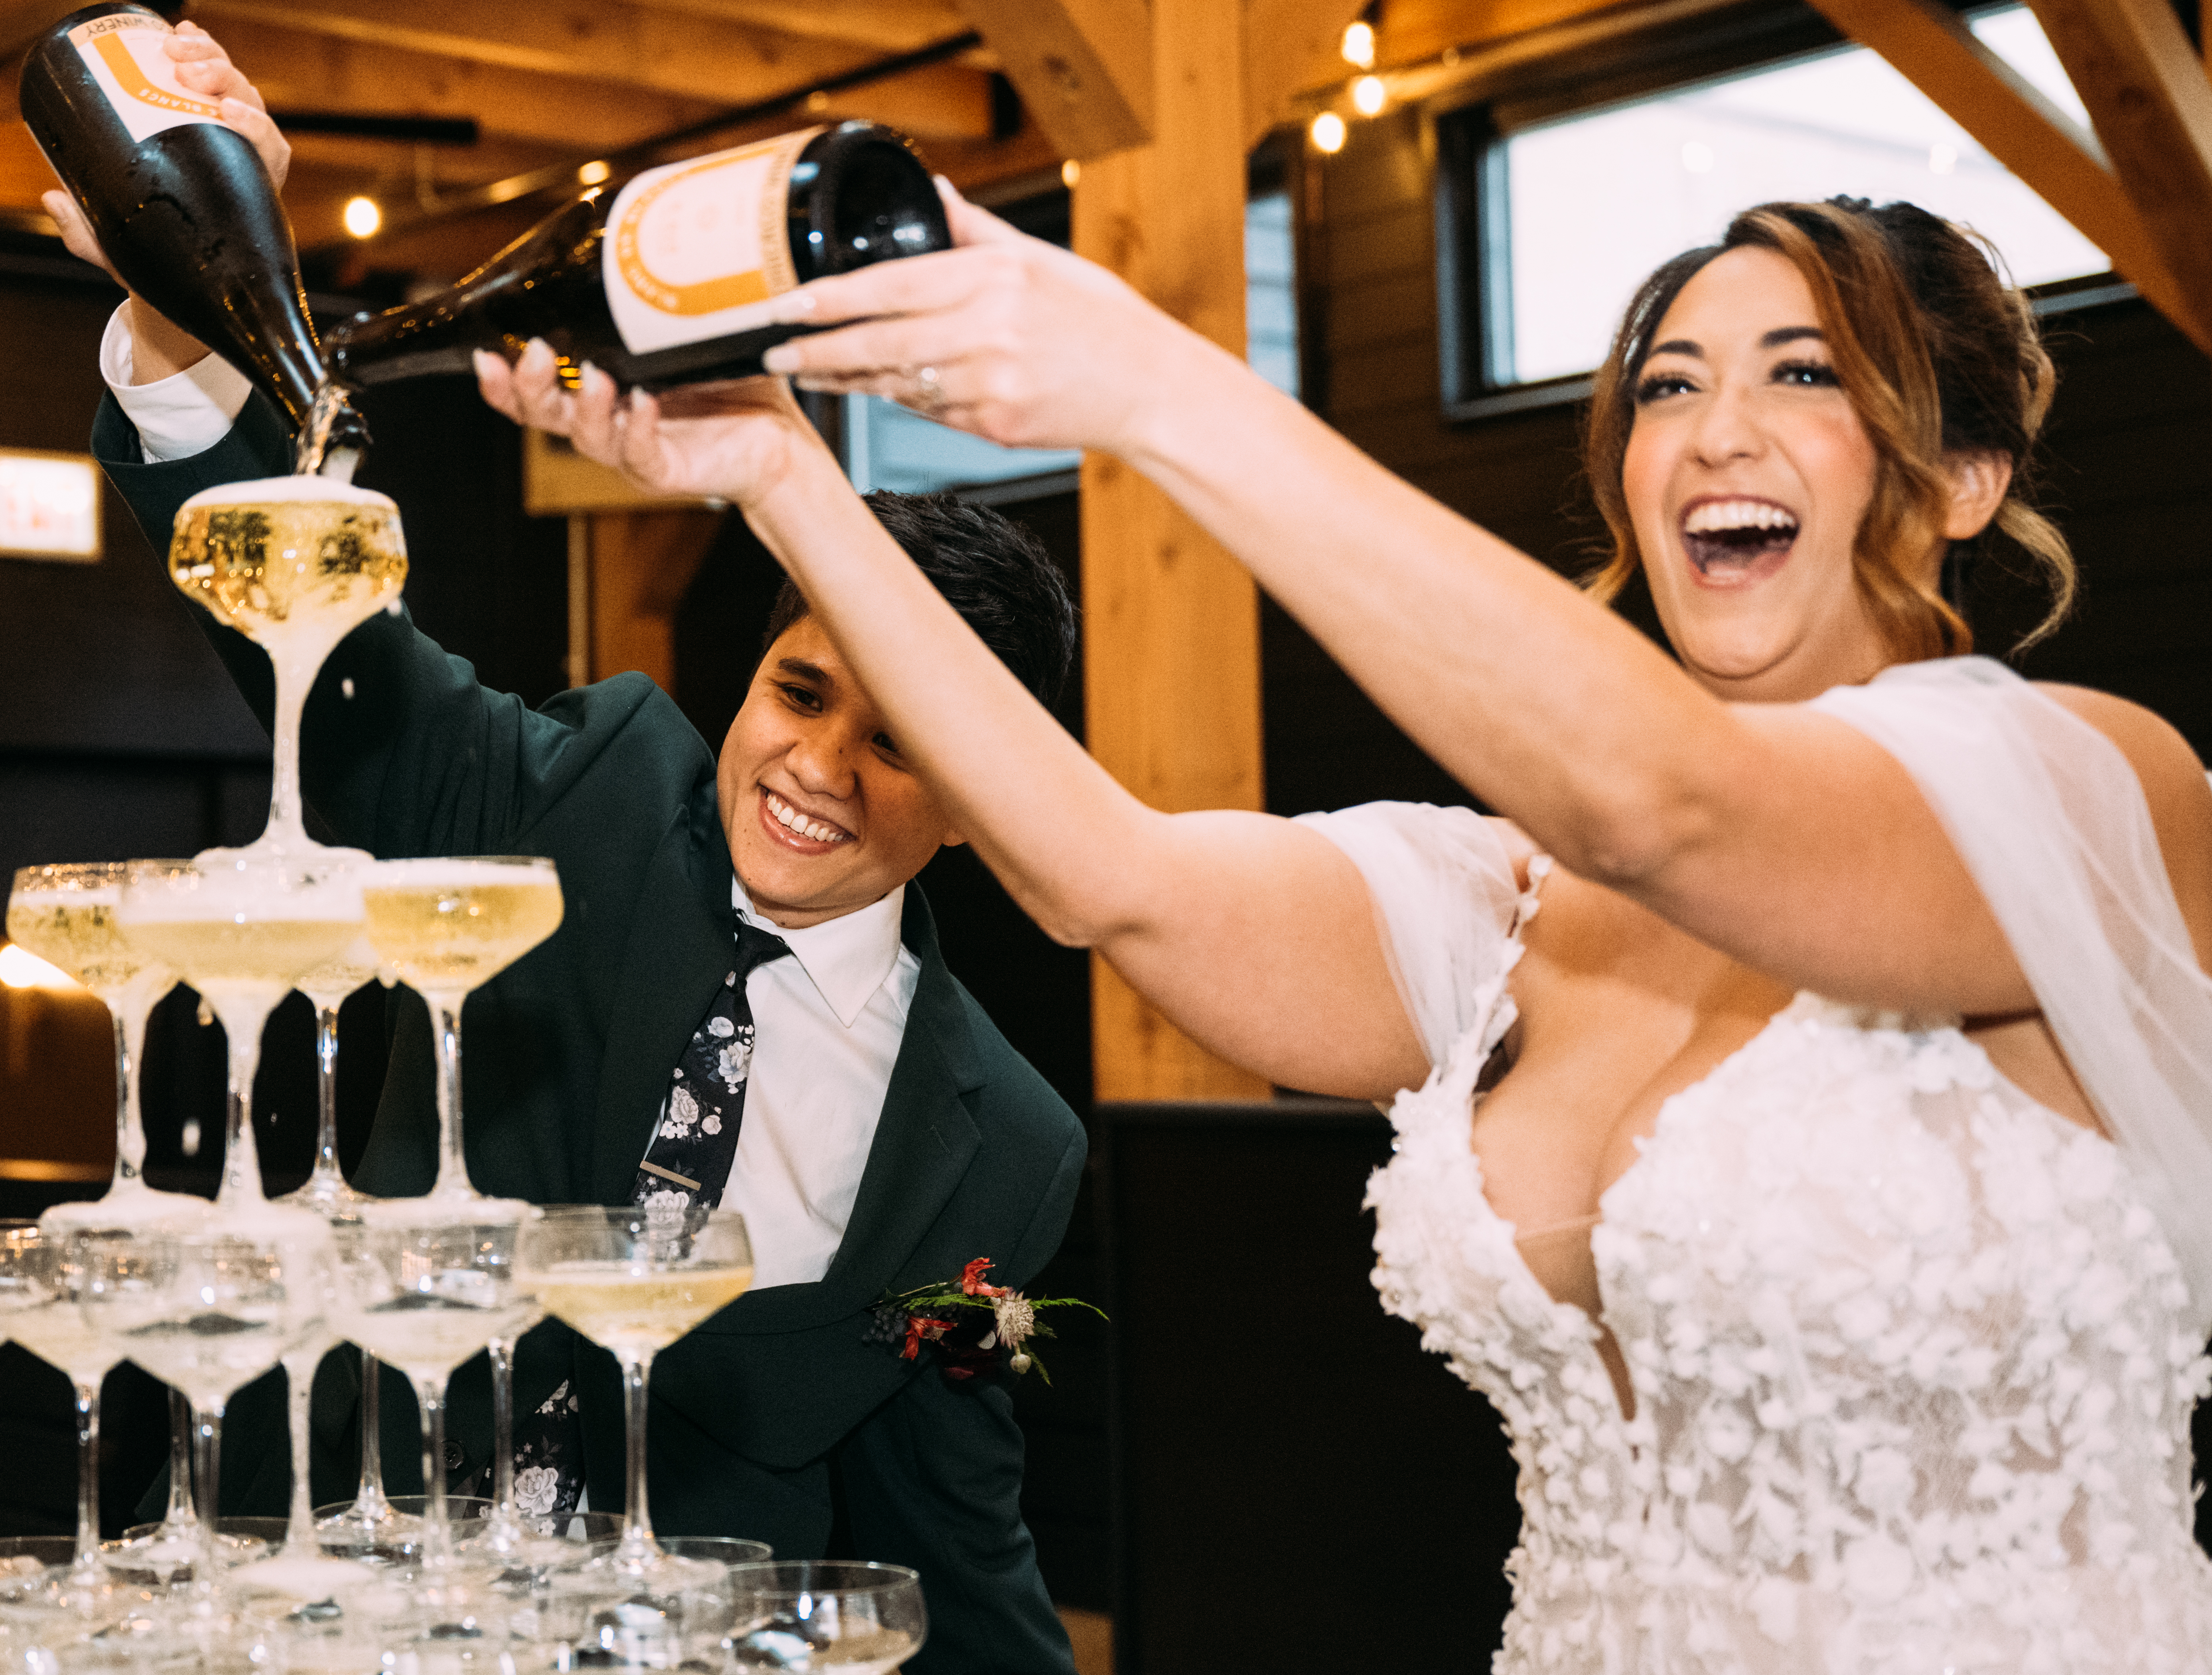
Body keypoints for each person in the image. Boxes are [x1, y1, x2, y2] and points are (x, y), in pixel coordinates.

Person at [487, 189, 2212, 1669]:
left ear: (1969, 475)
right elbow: (1110, 876)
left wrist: (1152, 383)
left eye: (1805, 375)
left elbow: (1665, 797)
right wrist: (782, 480)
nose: (1711, 431)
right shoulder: (1511, 904)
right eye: (1665, 386)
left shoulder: (2084, 806)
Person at [49, 27, 1087, 1675]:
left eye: (896, 742)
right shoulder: (583, 795)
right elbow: (337, 659)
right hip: (333, 1603)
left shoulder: (1005, 1150)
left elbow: (949, 1524)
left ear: (982, 792)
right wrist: (193, 316)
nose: (813, 766)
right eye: (797, 692)